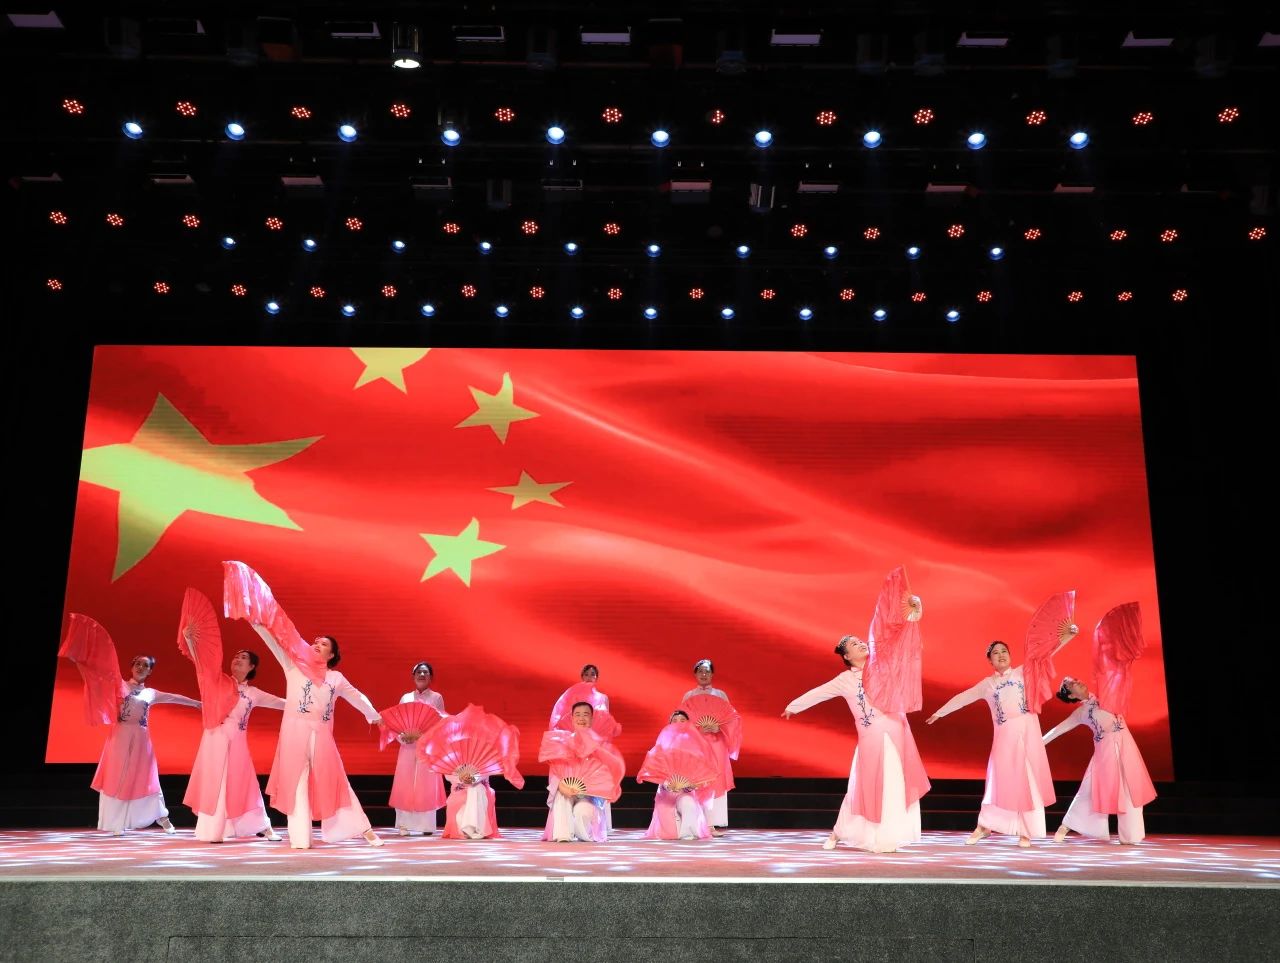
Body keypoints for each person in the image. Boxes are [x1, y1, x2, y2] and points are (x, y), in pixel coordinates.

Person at [783, 636, 931, 853]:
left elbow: (907, 654)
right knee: (865, 788)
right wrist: (794, 706)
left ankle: (886, 836)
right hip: (871, 738)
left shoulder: (883, 668)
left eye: (861, 641)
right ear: (847, 656)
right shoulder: (845, 680)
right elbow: (820, 693)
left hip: (897, 733)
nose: (861, 643)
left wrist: (912, 628)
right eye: (854, 644)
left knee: (895, 784)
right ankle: (838, 832)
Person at [247, 627, 384, 849]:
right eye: (315, 642)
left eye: (324, 644)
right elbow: (274, 644)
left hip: (321, 734)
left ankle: (362, 829)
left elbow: (357, 696)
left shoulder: (335, 678)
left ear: (332, 655)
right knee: (296, 782)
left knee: (335, 780)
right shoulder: (293, 666)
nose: (317, 645)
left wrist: (374, 715)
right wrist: (258, 624)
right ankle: (300, 838)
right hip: (293, 733)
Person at [926, 641, 1057, 847]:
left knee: (1028, 780)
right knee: (999, 780)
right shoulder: (987, 684)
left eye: (1004, 651)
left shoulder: (1022, 672)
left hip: (1027, 732)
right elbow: (964, 697)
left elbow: (1045, 654)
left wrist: (1066, 636)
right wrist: (940, 712)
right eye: (996, 653)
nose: (1001, 655)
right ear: (990, 660)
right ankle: (985, 825)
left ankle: (1026, 831)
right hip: (1004, 736)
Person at [183, 648, 286, 842]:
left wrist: (306, 704)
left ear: (251, 667)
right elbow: (200, 663)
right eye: (236, 656)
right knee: (215, 782)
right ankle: (215, 830)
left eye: (243, 657)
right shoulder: (217, 682)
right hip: (214, 740)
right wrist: (190, 640)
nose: (238, 659)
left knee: (245, 783)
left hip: (237, 742)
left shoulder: (253, 693)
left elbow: (281, 703)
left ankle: (263, 825)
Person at [92, 654, 201, 836]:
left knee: (147, 778)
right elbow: (98, 681)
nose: (140, 667)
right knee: (117, 777)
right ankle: (116, 823)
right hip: (119, 737)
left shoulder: (150, 693)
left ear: (150, 671)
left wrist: (196, 704)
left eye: (145, 665)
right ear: (131, 666)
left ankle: (162, 816)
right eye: (137, 663)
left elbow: (173, 698)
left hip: (141, 740)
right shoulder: (119, 685)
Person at [1043, 676, 1157, 844]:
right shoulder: (1081, 713)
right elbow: (1057, 730)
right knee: (1090, 790)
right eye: (1071, 684)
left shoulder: (1105, 695)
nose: (1077, 681)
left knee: (1130, 787)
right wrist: (1037, 745)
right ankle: (1066, 825)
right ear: (1071, 695)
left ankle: (1130, 835)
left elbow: (1118, 680)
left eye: (1075, 679)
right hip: (1105, 752)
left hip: (1126, 747)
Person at [542, 702, 624, 842]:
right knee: (561, 797)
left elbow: (603, 777)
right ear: (572, 718)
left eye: (586, 715)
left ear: (591, 719)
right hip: (566, 789)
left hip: (589, 795)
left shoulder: (599, 746)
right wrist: (562, 786)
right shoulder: (563, 742)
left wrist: (590, 790)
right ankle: (563, 835)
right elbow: (555, 770)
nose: (581, 718)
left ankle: (583, 834)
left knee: (582, 811)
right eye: (577, 715)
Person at [389, 661, 447, 836]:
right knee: (405, 783)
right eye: (419, 672)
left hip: (427, 748)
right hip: (407, 746)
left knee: (426, 785)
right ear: (413, 676)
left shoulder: (436, 698)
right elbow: (397, 722)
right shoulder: (406, 698)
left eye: (425, 672)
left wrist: (422, 737)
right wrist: (403, 737)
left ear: (430, 677)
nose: (422, 675)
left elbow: (440, 724)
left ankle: (426, 826)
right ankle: (404, 825)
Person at [682, 659, 738, 836]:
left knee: (715, 780)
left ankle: (712, 823)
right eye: (700, 671)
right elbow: (681, 721)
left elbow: (732, 719)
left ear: (712, 674)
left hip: (716, 743)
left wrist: (718, 727)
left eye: (707, 671)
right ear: (695, 674)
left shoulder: (720, 695)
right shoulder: (689, 696)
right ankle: (696, 822)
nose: (704, 674)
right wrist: (697, 728)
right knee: (698, 779)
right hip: (696, 744)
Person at [640, 711, 715, 841]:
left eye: (682, 720)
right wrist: (667, 784)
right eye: (674, 720)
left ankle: (688, 833)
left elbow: (702, 776)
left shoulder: (696, 749)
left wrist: (691, 785)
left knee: (688, 804)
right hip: (666, 793)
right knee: (668, 829)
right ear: (669, 725)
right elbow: (655, 770)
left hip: (686, 792)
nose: (678, 723)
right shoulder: (662, 747)